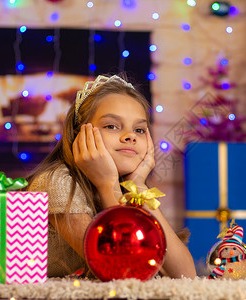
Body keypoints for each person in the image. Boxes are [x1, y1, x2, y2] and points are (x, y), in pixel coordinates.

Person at [26, 74, 196, 279]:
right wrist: (107, 185)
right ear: (79, 135)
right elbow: (125, 268)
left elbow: (186, 275)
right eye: (112, 126)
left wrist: (138, 186)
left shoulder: (128, 185)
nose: (130, 136)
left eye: (139, 129)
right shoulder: (57, 182)